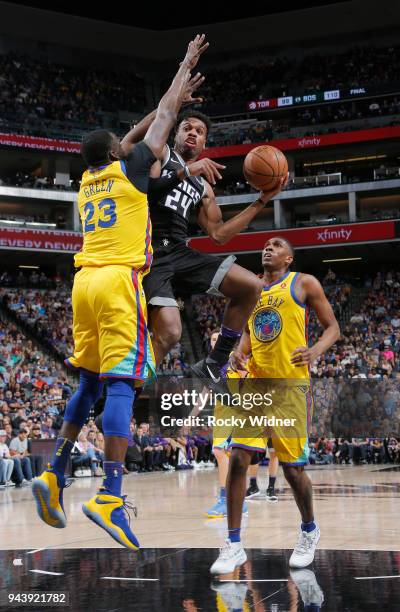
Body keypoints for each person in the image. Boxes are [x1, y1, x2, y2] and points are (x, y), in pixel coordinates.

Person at [31, 34, 209, 551]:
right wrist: (182, 69)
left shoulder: (89, 179)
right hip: (117, 283)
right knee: (121, 386)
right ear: (117, 152)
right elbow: (162, 119)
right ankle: (110, 493)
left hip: (81, 284)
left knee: (87, 383)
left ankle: (55, 472)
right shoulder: (130, 171)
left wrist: (159, 109)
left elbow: (131, 138)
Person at [125, 105, 287, 379]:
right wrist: (186, 170)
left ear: (204, 142)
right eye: (187, 128)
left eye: (199, 132)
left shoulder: (204, 186)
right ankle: (125, 391)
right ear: (176, 133)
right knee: (170, 334)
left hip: (179, 251)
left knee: (251, 285)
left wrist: (262, 200)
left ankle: (214, 362)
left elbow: (219, 235)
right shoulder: (160, 153)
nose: (193, 133)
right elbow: (146, 192)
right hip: (150, 252)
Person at [210, 236, 340, 574]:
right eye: (266, 245)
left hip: (289, 388)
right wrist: (240, 352)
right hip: (255, 384)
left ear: (289, 258)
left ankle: (309, 529)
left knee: (293, 470)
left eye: (277, 245)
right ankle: (234, 543)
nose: (268, 248)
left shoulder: (303, 283)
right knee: (239, 458)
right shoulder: (251, 288)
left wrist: (315, 350)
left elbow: (333, 328)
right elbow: (250, 334)